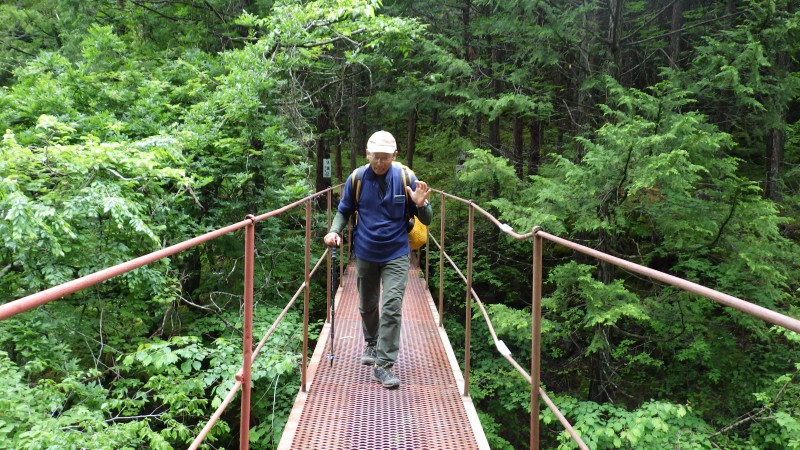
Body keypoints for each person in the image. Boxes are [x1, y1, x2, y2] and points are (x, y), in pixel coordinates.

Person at [323, 130, 433, 389]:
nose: (380, 163)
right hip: (365, 252)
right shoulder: (357, 178)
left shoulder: (406, 177)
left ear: (394, 156)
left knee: (392, 306)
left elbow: (427, 220)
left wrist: (420, 204)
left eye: (385, 158)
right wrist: (334, 230)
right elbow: (344, 210)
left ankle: (383, 365)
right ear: (367, 154)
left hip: (396, 252)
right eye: (376, 157)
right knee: (367, 305)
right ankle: (371, 342)